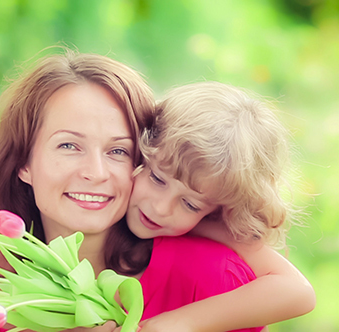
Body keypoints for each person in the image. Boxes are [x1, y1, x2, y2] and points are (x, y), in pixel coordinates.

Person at [0, 50, 311, 332]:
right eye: (68, 146)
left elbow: (295, 292)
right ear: (24, 162)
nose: (96, 173)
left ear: (137, 159)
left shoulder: (211, 276)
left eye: (117, 151)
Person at [119, 81, 315, 331]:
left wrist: (181, 322)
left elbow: (299, 292)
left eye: (190, 204)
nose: (161, 208)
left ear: (217, 210)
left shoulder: (206, 227)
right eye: (157, 179)